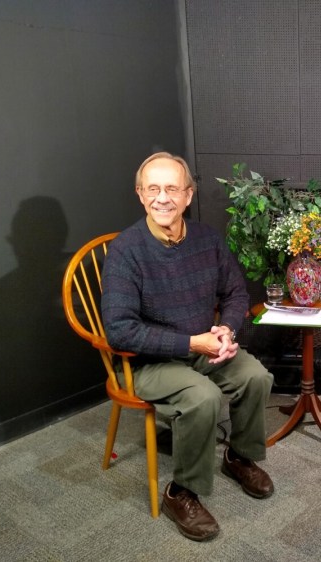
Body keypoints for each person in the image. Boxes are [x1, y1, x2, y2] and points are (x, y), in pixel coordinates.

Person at [102, 152, 275, 542]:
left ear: (188, 195)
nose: (162, 198)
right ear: (140, 195)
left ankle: (239, 456)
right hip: (148, 362)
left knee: (255, 377)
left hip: (203, 347)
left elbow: (234, 292)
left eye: (172, 189)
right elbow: (119, 331)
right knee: (203, 398)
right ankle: (180, 491)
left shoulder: (206, 239)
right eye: (153, 189)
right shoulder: (126, 251)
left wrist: (227, 330)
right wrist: (191, 342)